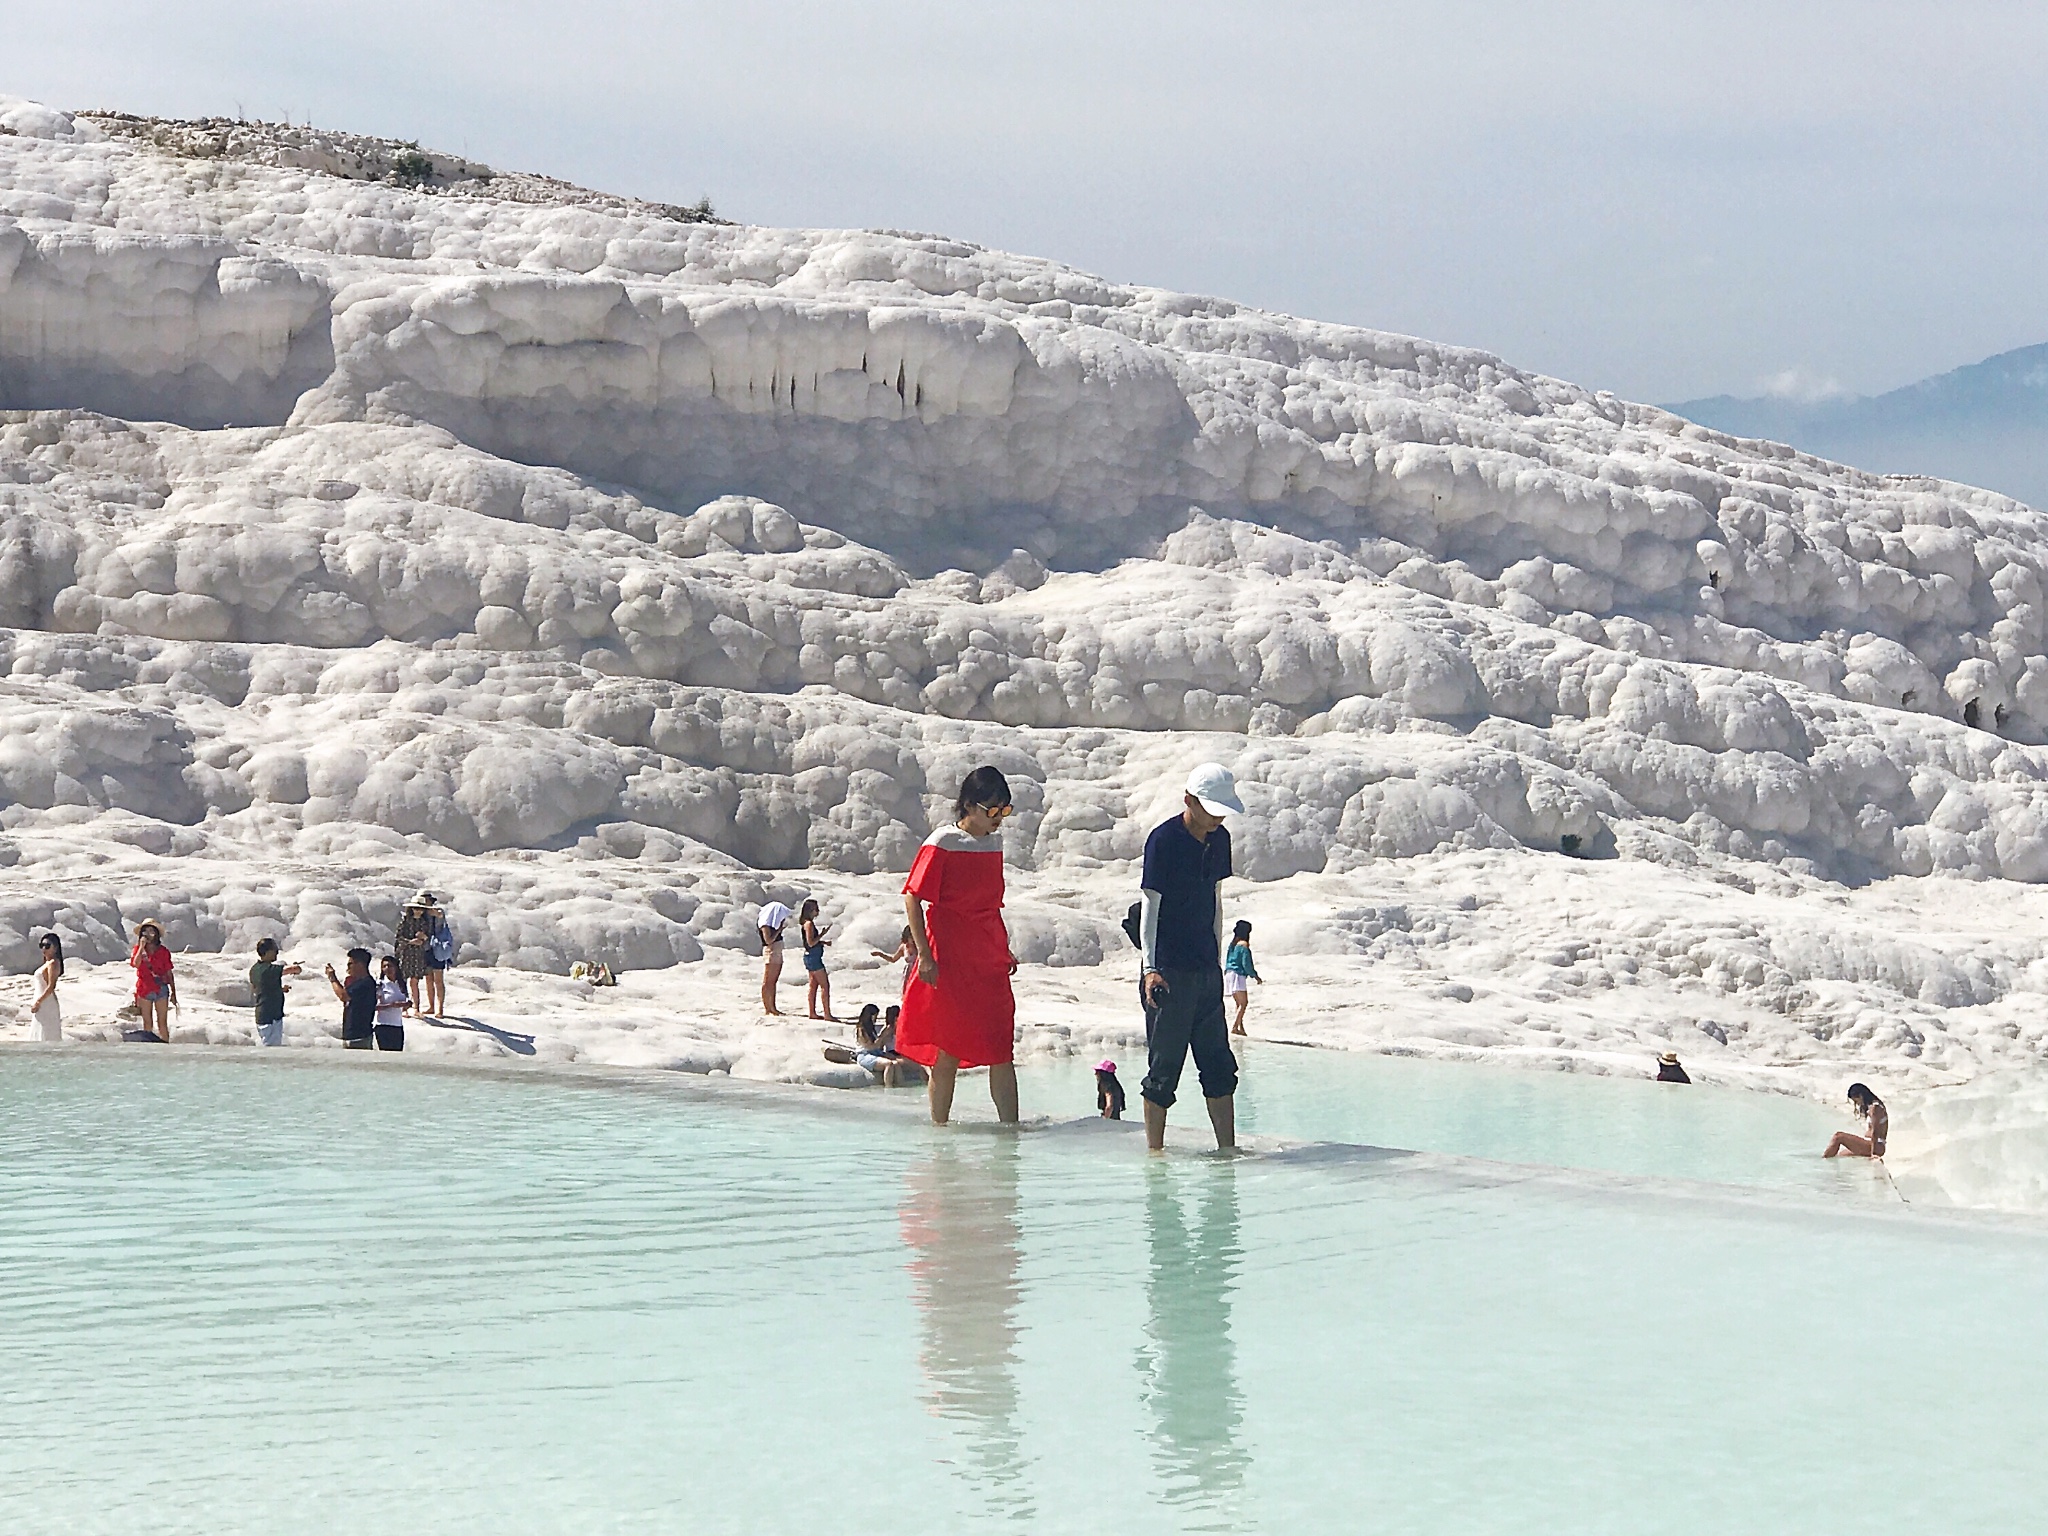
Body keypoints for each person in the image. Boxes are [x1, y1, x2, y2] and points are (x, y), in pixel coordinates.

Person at [897, 766, 1021, 1125]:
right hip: (950, 955)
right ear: (969, 805)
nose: (999, 819)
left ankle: (1009, 1132)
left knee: (1001, 1047)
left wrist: (1003, 948)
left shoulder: (992, 841)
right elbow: (912, 897)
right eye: (992, 810)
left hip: (988, 955)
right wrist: (924, 955)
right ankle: (940, 1131)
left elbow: (989, 905)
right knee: (948, 1047)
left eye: (1005, 810)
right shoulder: (942, 842)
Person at [1138, 763, 1246, 1152]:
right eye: (1211, 808)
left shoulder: (1220, 840)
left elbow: (1215, 901)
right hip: (1167, 971)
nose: (1217, 817)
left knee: (1218, 1064)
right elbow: (1150, 905)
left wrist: (1216, 964)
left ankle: (1227, 1149)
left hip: (1205, 969)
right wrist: (1150, 968)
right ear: (1189, 800)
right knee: (1163, 1069)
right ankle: (1156, 1155)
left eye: (1222, 810)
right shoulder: (1163, 841)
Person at [249, 937, 301, 1047]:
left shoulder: (254, 969)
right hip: (271, 1017)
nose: (277, 953)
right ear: (268, 952)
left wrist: (280, 990)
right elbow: (293, 970)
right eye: (275, 951)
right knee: (271, 1048)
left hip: (263, 1014)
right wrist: (296, 967)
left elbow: (260, 988)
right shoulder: (268, 969)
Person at [130, 919, 177, 1043]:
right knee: (147, 1022)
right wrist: (141, 947)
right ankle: (149, 1046)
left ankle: (165, 1045)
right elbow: (136, 963)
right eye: (145, 931)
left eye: (151, 931)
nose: (148, 934)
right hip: (145, 988)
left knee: (162, 1022)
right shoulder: (138, 950)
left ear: (156, 934)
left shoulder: (163, 951)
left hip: (160, 987)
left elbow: (168, 972)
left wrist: (173, 992)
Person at [394, 891, 438, 1016]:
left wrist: (423, 938)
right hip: (406, 953)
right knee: (403, 980)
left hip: (418, 954)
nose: (417, 911)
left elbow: (429, 937)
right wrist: (410, 941)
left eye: (419, 909)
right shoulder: (405, 921)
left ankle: (416, 1008)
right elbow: (399, 937)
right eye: (415, 908)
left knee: (415, 981)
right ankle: (404, 1008)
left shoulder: (425, 923)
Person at [325, 948, 377, 1049]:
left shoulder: (366, 983)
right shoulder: (356, 983)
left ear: (359, 964)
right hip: (352, 1036)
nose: (348, 967)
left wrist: (332, 978)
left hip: (360, 1037)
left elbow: (343, 996)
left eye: (350, 964)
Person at [1824, 1083, 1888, 1159]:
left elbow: (1875, 1131)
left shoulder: (1875, 1108)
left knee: (1838, 1136)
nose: (1857, 1103)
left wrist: (1873, 1153)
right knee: (1840, 1154)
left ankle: (1821, 1163)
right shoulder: (1872, 1107)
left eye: (1856, 1101)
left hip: (1875, 1145)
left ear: (1861, 1096)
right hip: (1871, 1144)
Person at [799, 899, 836, 1021]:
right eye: (816, 909)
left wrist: (822, 942)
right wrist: (822, 935)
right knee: (825, 985)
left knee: (813, 985)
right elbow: (811, 942)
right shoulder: (809, 924)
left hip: (810, 956)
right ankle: (827, 1014)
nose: (818, 911)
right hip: (814, 958)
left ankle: (812, 1012)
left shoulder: (805, 923)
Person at [1223, 920, 1261, 1036]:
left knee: (1238, 1004)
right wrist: (1255, 975)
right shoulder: (1244, 944)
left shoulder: (1233, 943)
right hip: (1238, 974)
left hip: (1229, 973)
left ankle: (1241, 1027)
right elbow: (1246, 963)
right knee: (1243, 1003)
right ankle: (1235, 1027)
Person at [757, 900, 794, 1015]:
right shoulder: (766, 925)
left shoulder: (771, 924)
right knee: (768, 981)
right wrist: (779, 930)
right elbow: (768, 940)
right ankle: (768, 1007)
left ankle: (773, 1007)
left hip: (776, 952)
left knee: (773, 981)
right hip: (771, 952)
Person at [28, 933, 64, 1042]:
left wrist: (38, 1002)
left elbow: (50, 986)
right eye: (42, 945)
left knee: (46, 1032)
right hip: (42, 1000)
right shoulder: (47, 963)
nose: (44, 948)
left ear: (55, 947)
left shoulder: (53, 963)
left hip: (46, 1002)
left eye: (47, 946)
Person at [421, 900, 453, 1018]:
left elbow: (441, 916)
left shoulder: (437, 911)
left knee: (438, 980)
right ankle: (431, 1006)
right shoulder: (421, 914)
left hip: (437, 948)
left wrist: (436, 914)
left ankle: (439, 1008)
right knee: (429, 979)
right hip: (426, 949)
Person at [374, 954, 408, 1052]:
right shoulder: (380, 984)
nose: (387, 969)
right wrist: (390, 1006)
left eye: (390, 966)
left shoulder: (401, 984)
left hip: (397, 1025)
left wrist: (406, 1005)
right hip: (383, 1025)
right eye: (384, 966)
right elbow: (373, 1006)